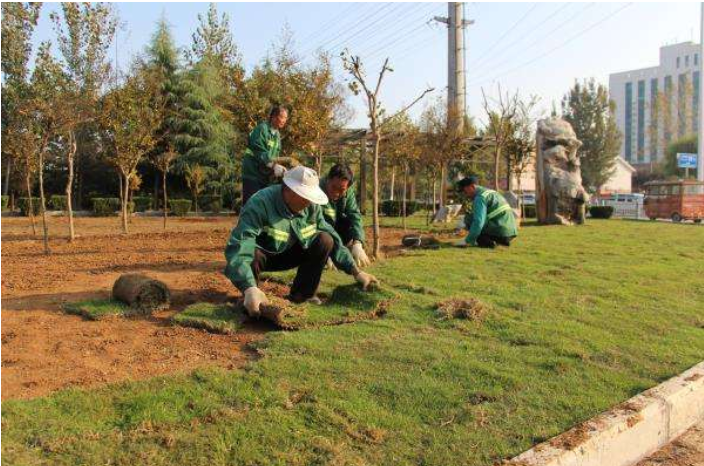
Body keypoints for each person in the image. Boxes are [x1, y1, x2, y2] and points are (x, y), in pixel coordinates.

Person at [224, 165, 379, 317]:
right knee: (251, 253)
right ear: (289, 190)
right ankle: (252, 295)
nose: (309, 202)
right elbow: (241, 244)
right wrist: (249, 287)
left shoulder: (311, 207)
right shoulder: (261, 203)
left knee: (325, 239)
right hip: (264, 255)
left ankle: (303, 295)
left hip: (291, 253)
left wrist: (355, 271)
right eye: (306, 197)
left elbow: (330, 233)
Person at [319, 164, 370, 267]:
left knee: (348, 223)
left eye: (341, 190)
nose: (336, 193)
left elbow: (355, 215)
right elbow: (318, 222)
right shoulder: (316, 188)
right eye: (333, 187)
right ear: (328, 179)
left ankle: (346, 251)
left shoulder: (348, 192)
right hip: (319, 228)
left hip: (336, 225)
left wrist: (358, 242)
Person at [241, 105, 290, 205]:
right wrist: (273, 165)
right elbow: (259, 150)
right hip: (252, 173)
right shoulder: (262, 129)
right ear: (273, 117)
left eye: (286, 118)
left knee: (263, 206)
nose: (284, 120)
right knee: (252, 204)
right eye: (282, 117)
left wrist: (279, 169)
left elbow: (275, 156)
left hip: (265, 176)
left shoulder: (277, 135)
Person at [455, 176, 517, 248]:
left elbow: (478, 222)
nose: (465, 195)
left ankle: (489, 242)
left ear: (472, 187)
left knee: (469, 219)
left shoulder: (480, 198)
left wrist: (467, 241)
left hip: (501, 233)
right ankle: (500, 242)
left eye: (465, 192)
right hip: (511, 232)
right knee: (472, 219)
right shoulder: (491, 192)